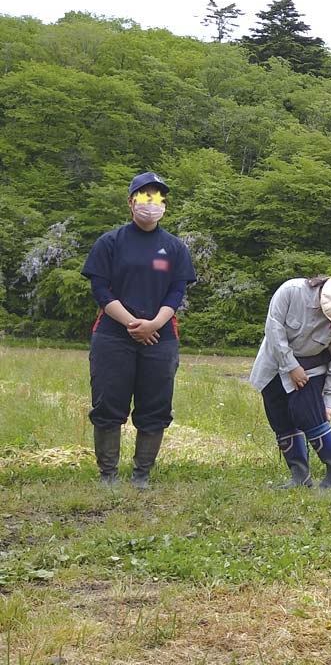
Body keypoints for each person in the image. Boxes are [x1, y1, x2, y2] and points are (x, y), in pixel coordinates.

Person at [82, 171, 197, 489]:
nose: (151, 202)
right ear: (131, 201)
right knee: (108, 404)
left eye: (157, 197)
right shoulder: (110, 242)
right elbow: (100, 289)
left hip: (161, 336)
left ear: (164, 204)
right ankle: (108, 475)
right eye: (144, 196)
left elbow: (176, 292)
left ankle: (141, 475)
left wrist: (154, 323)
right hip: (113, 334)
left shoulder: (174, 248)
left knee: (156, 405)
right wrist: (131, 323)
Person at [249, 276, 331, 489]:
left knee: (307, 413)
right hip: (273, 363)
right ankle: (300, 477)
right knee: (280, 418)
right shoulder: (291, 291)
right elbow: (273, 328)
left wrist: (330, 400)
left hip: (312, 370)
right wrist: (291, 367)